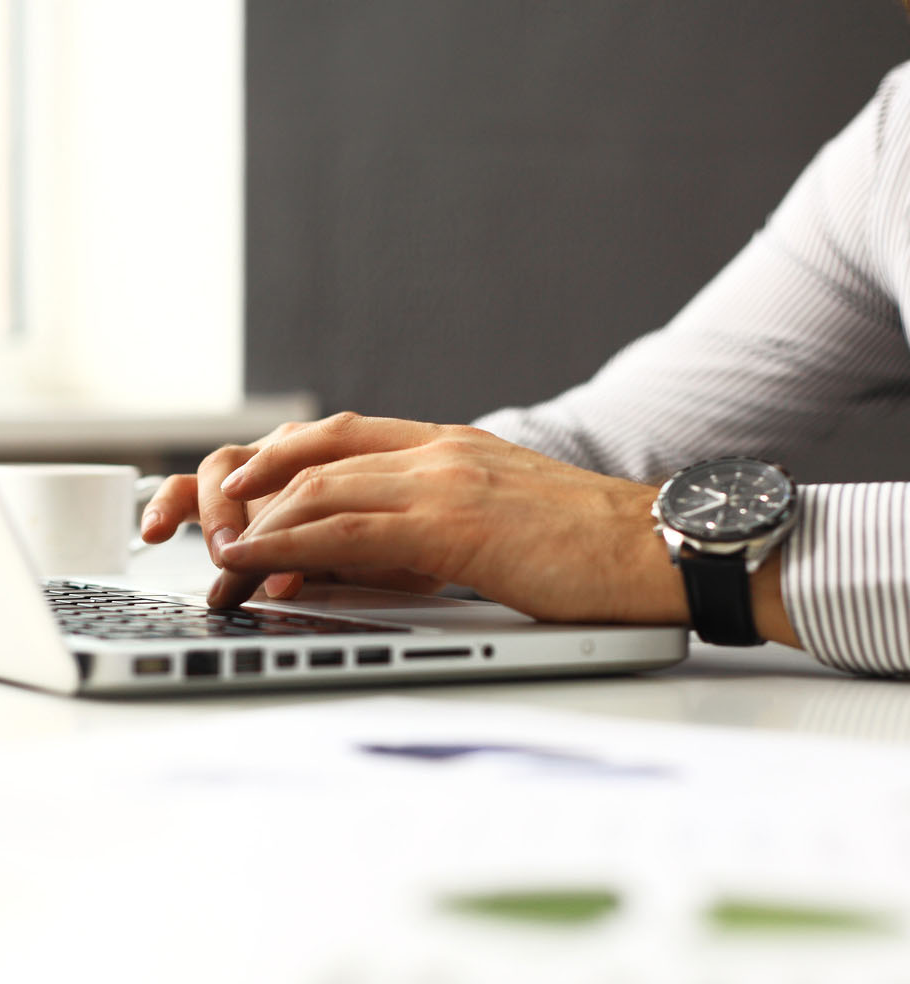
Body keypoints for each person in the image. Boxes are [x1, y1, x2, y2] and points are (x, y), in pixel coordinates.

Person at [139, 56, 910, 678]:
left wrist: (645, 548)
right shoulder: (894, 140)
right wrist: (382, 504)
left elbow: (606, 518)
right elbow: (608, 441)